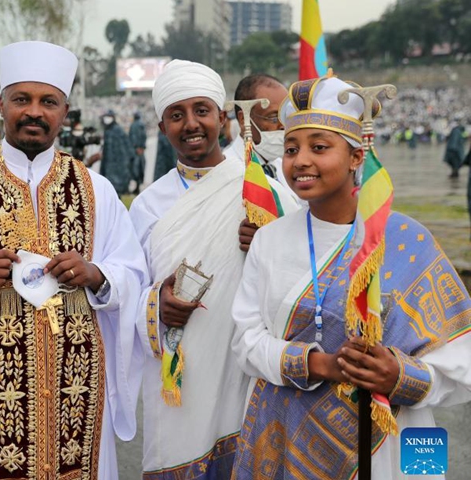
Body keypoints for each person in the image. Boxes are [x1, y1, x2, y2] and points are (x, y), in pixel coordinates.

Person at [0, 40, 148, 479]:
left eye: (49, 102)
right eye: (22, 99)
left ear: (65, 110)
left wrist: (95, 274)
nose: (34, 112)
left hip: (77, 383)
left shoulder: (95, 188)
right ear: (1, 104)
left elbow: (133, 273)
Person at [230, 75, 471, 479]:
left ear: (357, 156)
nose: (300, 160)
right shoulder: (269, 240)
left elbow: (461, 356)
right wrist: (318, 364)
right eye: (291, 149)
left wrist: (402, 376)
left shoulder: (408, 239)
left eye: (319, 147)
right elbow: (245, 339)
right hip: (291, 435)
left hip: (394, 438)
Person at [129, 60, 300, 479]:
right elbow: (127, 292)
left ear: (222, 116)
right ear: (162, 125)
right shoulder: (147, 205)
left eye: (201, 110)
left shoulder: (266, 191)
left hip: (246, 375)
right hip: (179, 384)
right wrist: (156, 306)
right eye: (176, 114)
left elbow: (306, 280)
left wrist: (270, 241)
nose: (191, 124)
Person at [226, 73, 299, 201]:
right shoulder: (227, 172)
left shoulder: (282, 165)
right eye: (274, 117)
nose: (283, 126)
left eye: (286, 116)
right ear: (244, 119)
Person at [92, 110, 134, 197]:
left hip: (116, 169)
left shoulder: (117, 131)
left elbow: (126, 152)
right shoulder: (109, 131)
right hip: (110, 169)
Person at [129, 112, 147, 193]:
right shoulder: (141, 125)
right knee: (140, 168)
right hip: (140, 150)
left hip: (135, 150)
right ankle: (138, 186)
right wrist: (142, 147)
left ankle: (137, 187)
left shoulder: (134, 125)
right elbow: (144, 136)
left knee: (135, 168)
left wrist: (136, 147)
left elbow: (133, 137)